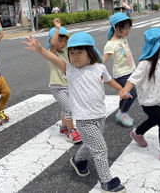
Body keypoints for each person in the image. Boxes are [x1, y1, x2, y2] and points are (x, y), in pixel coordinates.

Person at [23, 26, 130, 193]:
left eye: (79, 52)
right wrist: (40, 49)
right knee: (100, 149)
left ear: (90, 52)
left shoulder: (99, 68)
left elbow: (108, 81)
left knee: (91, 144)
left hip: (99, 115)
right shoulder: (70, 70)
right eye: (71, 53)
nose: (75, 56)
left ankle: (78, 160)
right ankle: (107, 182)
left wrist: (121, 90)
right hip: (83, 119)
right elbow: (54, 59)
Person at [122, 27, 160, 164]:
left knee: (153, 120)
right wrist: (124, 91)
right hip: (150, 103)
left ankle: (137, 133)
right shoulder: (145, 64)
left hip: (159, 100)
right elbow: (133, 78)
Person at [47, 18, 81, 143]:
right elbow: (53, 45)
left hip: (68, 86)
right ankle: (71, 131)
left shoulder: (67, 52)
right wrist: (57, 28)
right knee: (70, 108)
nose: (63, 43)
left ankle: (63, 127)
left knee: (65, 107)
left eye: (65, 40)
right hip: (58, 87)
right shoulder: (52, 54)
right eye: (59, 40)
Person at [103, 12, 136, 127]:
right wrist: (97, 72)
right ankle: (122, 114)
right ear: (116, 28)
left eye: (129, 28)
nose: (127, 31)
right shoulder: (110, 44)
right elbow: (103, 60)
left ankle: (122, 112)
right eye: (125, 28)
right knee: (132, 94)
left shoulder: (123, 38)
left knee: (125, 94)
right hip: (121, 75)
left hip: (131, 71)